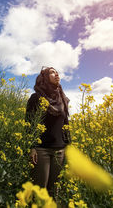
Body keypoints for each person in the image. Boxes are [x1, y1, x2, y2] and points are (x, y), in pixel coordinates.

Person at [25, 66, 71, 198]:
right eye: (52, 72)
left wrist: (68, 146)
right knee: (40, 191)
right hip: (41, 150)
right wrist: (32, 147)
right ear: (44, 78)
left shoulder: (62, 99)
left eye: (57, 72)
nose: (56, 74)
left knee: (54, 191)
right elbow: (29, 123)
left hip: (60, 150)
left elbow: (65, 124)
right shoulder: (35, 98)